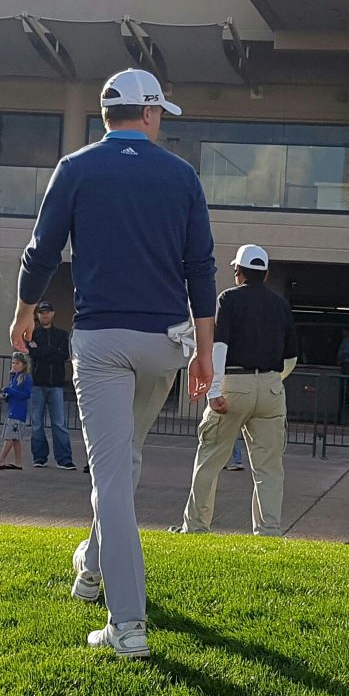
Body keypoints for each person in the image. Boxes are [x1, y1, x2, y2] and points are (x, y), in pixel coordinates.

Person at [10, 67, 216, 659]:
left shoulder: (75, 168)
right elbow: (201, 269)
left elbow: (42, 252)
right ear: (149, 115)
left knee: (112, 480)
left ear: (107, 117)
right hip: (165, 345)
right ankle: (91, 569)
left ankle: (127, 626)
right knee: (123, 463)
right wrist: (204, 353)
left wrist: (24, 311)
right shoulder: (180, 176)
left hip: (101, 343)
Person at [173, 244, 298, 537]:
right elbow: (292, 356)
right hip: (270, 388)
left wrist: (213, 390)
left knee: (210, 460)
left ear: (238, 272)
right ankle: (269, 531)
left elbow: (219, 346)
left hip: (234, 385)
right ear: (265, 274)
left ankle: (196, 527)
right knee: (269, 468)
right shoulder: (281, 305)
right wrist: (273, 381)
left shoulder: (228, 299)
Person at [27, 301, 76, 470]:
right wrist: (51, 351)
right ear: (38, 315)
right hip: (37, 385)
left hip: (56, 385)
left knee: (59, 423)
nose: (45, 315)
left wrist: (43, 351)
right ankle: (39, 457)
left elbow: (64, 354)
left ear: (53, 314)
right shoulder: (32, 334)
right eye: (41, 312)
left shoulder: (62, 335)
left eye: (47, 312)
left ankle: (65, 459)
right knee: (37, 424)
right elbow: (33, 352)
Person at [0, 352, 33, 470]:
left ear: (24, 365)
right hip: (13, 410)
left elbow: (26, 394)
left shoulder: (26, 378)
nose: (14, 365)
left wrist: (11, 391)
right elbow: (14, 393)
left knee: (9, 437)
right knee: (15, 439)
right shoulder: (14, 378)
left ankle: (1, 459)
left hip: (18, 412)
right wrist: (7, 396)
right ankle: (18, 462)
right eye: (13, 363)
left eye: (17, 363)